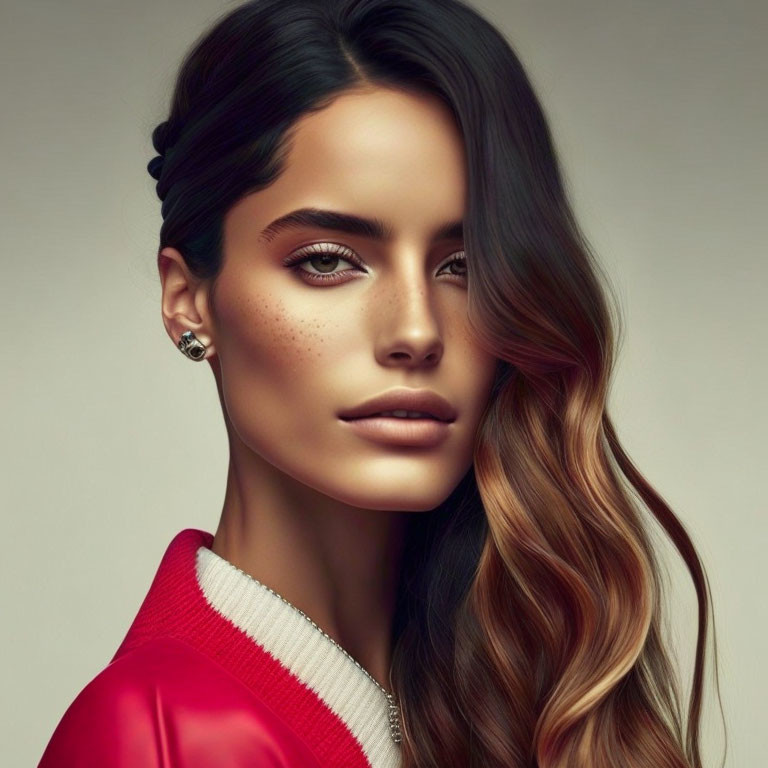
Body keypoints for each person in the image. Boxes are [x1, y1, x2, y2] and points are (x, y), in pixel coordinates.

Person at [38, 1, 722, 766]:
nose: (418, 331)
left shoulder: (508, 684)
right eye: (328, 260)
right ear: (187, 298)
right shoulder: (153, 735)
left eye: (464, 267)